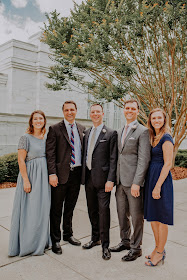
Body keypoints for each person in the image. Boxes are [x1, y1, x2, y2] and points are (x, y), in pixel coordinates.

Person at [110, 99, 151, 261]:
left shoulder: (143, 131)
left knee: (136, 216)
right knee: (121, 214)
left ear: (138, 111)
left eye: (133, 108)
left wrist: (137, 183)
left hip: (133, 183)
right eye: (127, 108)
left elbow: (143, 159)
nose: (129, 110)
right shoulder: (119, 131)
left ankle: (136, 247)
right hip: (119, 181)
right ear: (123, 110)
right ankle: (125, 241)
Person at [8, 110, 51, 257]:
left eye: (41, 118)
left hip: (43, 179)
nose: (38, 121)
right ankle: (28, 244)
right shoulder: (25, 138)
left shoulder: (45, 138)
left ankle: (42, 241)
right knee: (30, 211)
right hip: (31, 177)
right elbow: (21, 160)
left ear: (44, 121)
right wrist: (26, 180)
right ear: (31, 122)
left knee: (42, 210)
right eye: (35, 119)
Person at [46, 100, 85, 255]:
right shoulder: (55, 129)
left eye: (72, 109)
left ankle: (68, 234)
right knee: (56, 209)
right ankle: (55, 239)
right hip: (60, 176)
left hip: (76, 174)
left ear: (76, 111)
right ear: (63, 111)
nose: (70, 112)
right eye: (67, 110)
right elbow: (50, 153)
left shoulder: (82, 128)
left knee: (70, 207)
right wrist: (52, 173)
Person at [81, 104, 118, 260]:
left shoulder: (110, 133)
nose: (95, 114)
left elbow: (113, 158)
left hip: (104, 181)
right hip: (88, 177)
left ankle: (105, 245)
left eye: (98, 112)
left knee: (104, 212)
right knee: (92, 210)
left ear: (103, 114)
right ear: (90, 114)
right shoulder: (87, 132)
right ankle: (95, 238)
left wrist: (111, 179)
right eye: (93, 112)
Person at [144, 108, 174, 267]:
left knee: (161, 219)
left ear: (164, 120)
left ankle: (161, 253)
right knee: (154, 217)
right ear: (150, 120)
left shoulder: (166, 137)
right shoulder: (153, 137)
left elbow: (168, 164)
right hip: (151, 178)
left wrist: (157, 187)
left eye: (159, 118)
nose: (156, 120)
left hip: (161, 181)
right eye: (153, 118)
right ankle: (157, 248)